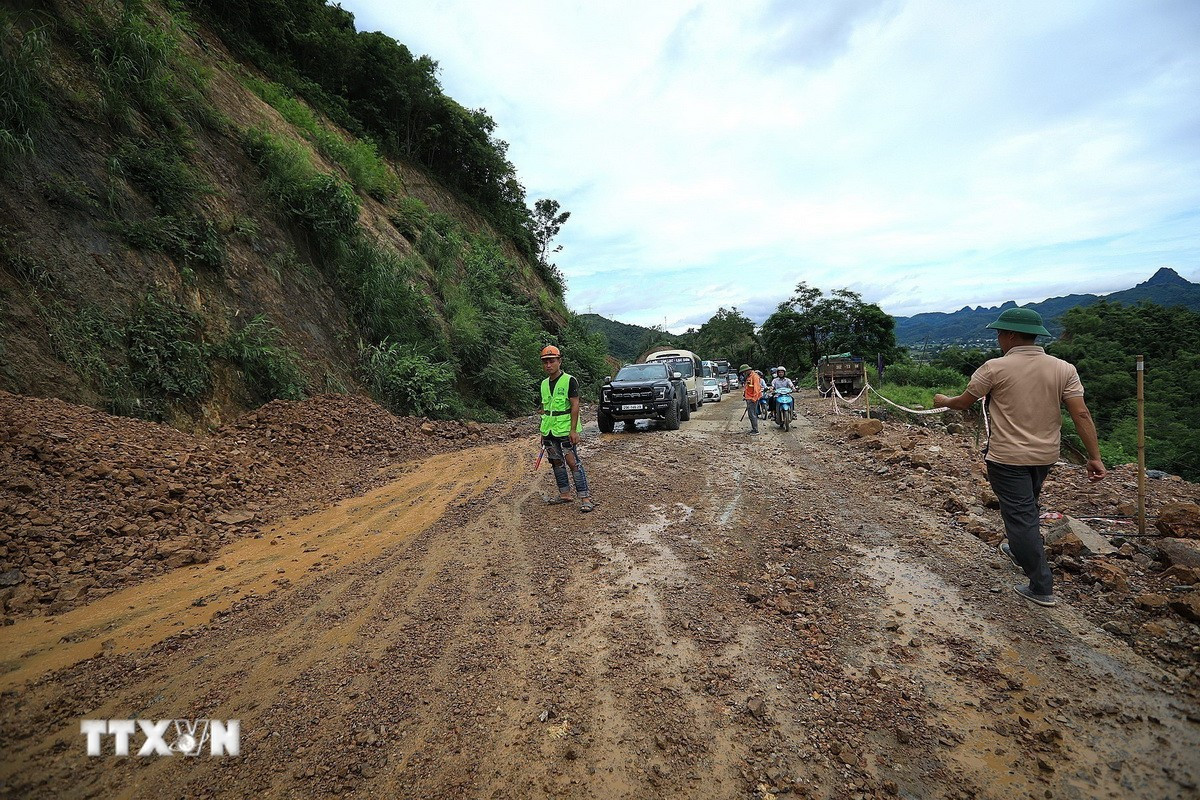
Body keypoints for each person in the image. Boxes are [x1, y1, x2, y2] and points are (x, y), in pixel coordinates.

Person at [934, 307, 1105, 607]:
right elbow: (1081, 413)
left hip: (1007, 457)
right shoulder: (1064, 368)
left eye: (1000, 333)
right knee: (1028, 506)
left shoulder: (994, 368)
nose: (999, 338)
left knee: (1021, 517)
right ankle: (1019, 549)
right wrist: (1094, 457)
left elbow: (963, 403)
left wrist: (943, 400)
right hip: (1045, 456)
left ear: (1011, 334)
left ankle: (1041, 585)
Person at [537, 345, 594, 512]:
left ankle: (585, 498)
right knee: (556, 461)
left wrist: (573, 429)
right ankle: (564, 495)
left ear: (559, 361)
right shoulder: (543, 384)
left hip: (565, 428)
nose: (548, 365)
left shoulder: (569, 380)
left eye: (551, 361)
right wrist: (542, 431)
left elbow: (575, 404)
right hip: (549, 429)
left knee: (572, 462)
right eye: (545, 362)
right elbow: (545, 409)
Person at [739, 364, 765, 435]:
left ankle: (756, 430)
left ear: (747, 370)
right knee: (750, 414)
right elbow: (748, 387)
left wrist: (754, 399)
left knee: (752, 414)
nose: (743, 373)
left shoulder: (755, 376)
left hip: (752, 399)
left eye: (744, 372)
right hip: (749, 398)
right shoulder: (749, 377)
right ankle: (753, 428)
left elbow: (757, 389)